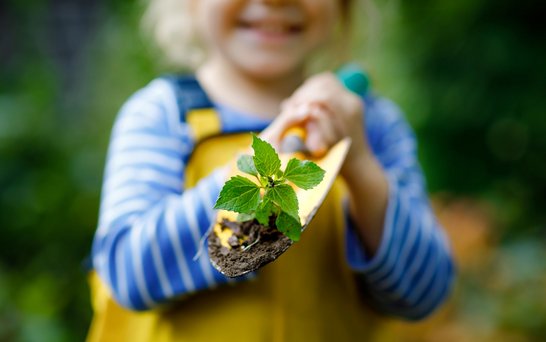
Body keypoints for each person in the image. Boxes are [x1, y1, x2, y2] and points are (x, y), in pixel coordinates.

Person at [88, 0, 455, 340]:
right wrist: (255, 179)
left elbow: (426, 294)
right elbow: (127, 274)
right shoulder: (164, 116)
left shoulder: (370, 126)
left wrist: (360, 165)